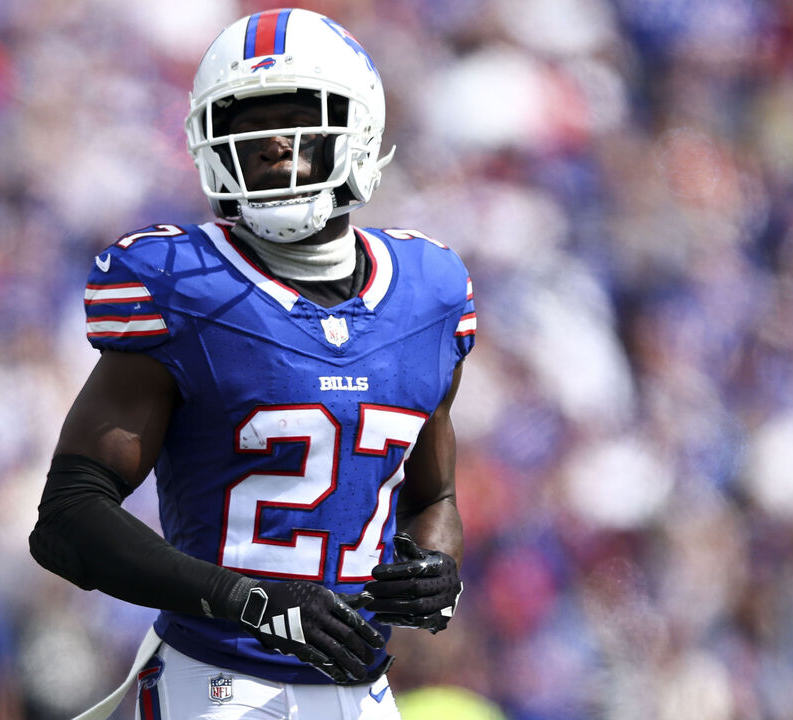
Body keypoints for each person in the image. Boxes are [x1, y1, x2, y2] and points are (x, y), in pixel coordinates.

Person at [29, 8, 473, 719]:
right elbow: (68, 519)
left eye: (297, 116)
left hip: (364, 696)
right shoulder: (182, 283)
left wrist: (436, 569)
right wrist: (250, 601)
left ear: (358, 127)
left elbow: (434, 501)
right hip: (213, 688)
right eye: (246, 122)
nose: (270, 142)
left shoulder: (430, 294)